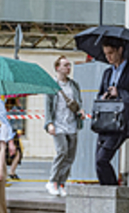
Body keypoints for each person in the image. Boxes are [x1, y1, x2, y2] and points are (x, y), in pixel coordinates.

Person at [95, 37, 129, 185]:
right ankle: (108, 191)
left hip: (121, 123)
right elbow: (99, 94)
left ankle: (113, 191)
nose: (108, 57)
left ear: (120, 50)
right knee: (97, 163)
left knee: (102, 159)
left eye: (110, 53)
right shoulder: (107, 73)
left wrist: (120, 93)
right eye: (105, 54)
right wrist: (103, 97)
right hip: (104, 122)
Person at [45, 56, 84, 196]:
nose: (68, 67)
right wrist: (49, 123)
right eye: (65, 65)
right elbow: (48, 106)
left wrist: (81, 111)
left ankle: (61, 183)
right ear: (58, 68)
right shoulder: (52, 85)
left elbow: (79, 102)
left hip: (72, 124)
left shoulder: (74, 85)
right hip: (58, 125)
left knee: (70, 156)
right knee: (62, 151)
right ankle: (52, 181)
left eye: (69, 65)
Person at [6, 98, 24, 180]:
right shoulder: (14, 110)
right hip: (11, 133)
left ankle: (11, 172)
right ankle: (11, 172)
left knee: (16, 153)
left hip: (10, 133)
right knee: (17, 153)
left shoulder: (5, 109)